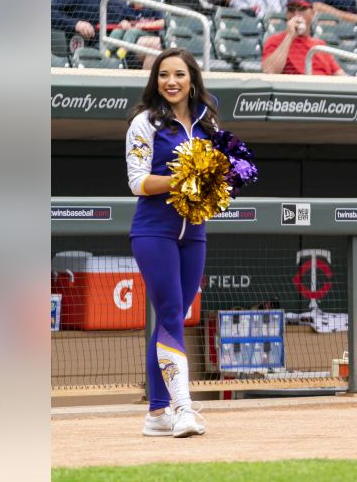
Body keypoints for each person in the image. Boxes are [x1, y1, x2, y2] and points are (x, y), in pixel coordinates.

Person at [125, 48, 219, 437]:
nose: (172, 82)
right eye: (164, 75)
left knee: (174, 318)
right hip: (153, 231)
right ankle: (182, 408)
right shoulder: (144, 123)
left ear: (192, 79)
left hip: (194, 232)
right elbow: (137, 182)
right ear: (156, 81)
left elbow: (219, 172)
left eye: (179, 74)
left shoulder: (207, 122)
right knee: (168, 314)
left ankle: (156, 414)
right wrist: (182, 178)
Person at [261, 0, 345, 75]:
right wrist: (289, 36)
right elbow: (269, 71)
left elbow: (341, 76)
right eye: (291, 9)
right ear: (286, 14)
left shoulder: (319, 45)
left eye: (301, 9)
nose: (296, 14)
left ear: (312, 13)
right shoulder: (275, 40)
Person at [114, 0, 166, 70]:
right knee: (119, 31)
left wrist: (145, 25)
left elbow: (162, 22)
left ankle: (123, 51)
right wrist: (124, 23)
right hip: (131, 41)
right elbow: (120, 22)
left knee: (132, 31)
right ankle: (109, 51)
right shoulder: (127, 8)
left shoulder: (153, 6)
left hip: (148, 36)